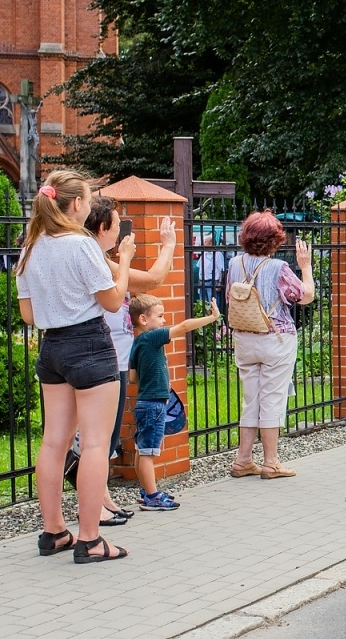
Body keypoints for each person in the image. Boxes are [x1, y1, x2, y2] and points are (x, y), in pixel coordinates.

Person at [15, 171, 133, 563]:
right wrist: (126, 264)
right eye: (87, 198)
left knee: (54, 441)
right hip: (89, 344)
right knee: (96, 443)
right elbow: (113, 301)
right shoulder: (81, 245)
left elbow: (28, 315)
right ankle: (90, 539)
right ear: (78, 204)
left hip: (52, 349)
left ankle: (53, 532)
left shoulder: (31, 247)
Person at [72, 196, 177, 525]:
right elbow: (154, 280)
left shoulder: (96, 257)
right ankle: (94, 505)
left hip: (107, 358)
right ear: (102, 227)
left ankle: (102, 497)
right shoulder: (98, 261)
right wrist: (169, 244)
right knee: (98, 438)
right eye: (117, 226)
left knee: (104, 436)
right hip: (105, 359)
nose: (120, 233)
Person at [225, 211, 315, 478]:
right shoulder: (278, 268)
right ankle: (271, 462)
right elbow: (305, 296)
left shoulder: (235, 263)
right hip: (276, 339)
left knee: (250, 399)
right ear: (275, 240)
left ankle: (243, 460)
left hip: (244, 337)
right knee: (272, 398)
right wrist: (306, 267)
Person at [125, 293, 221, 510]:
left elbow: (132, 378)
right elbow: (184, 326)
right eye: (160, 316)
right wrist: (212, 318)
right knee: (149, 451)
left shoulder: (137, 342)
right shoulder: (153, 337)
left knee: (142, 449)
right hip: (155, 404)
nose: (164, 321)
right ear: (143, 319)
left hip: (143, 402)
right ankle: (152, 496)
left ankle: (146, 490)